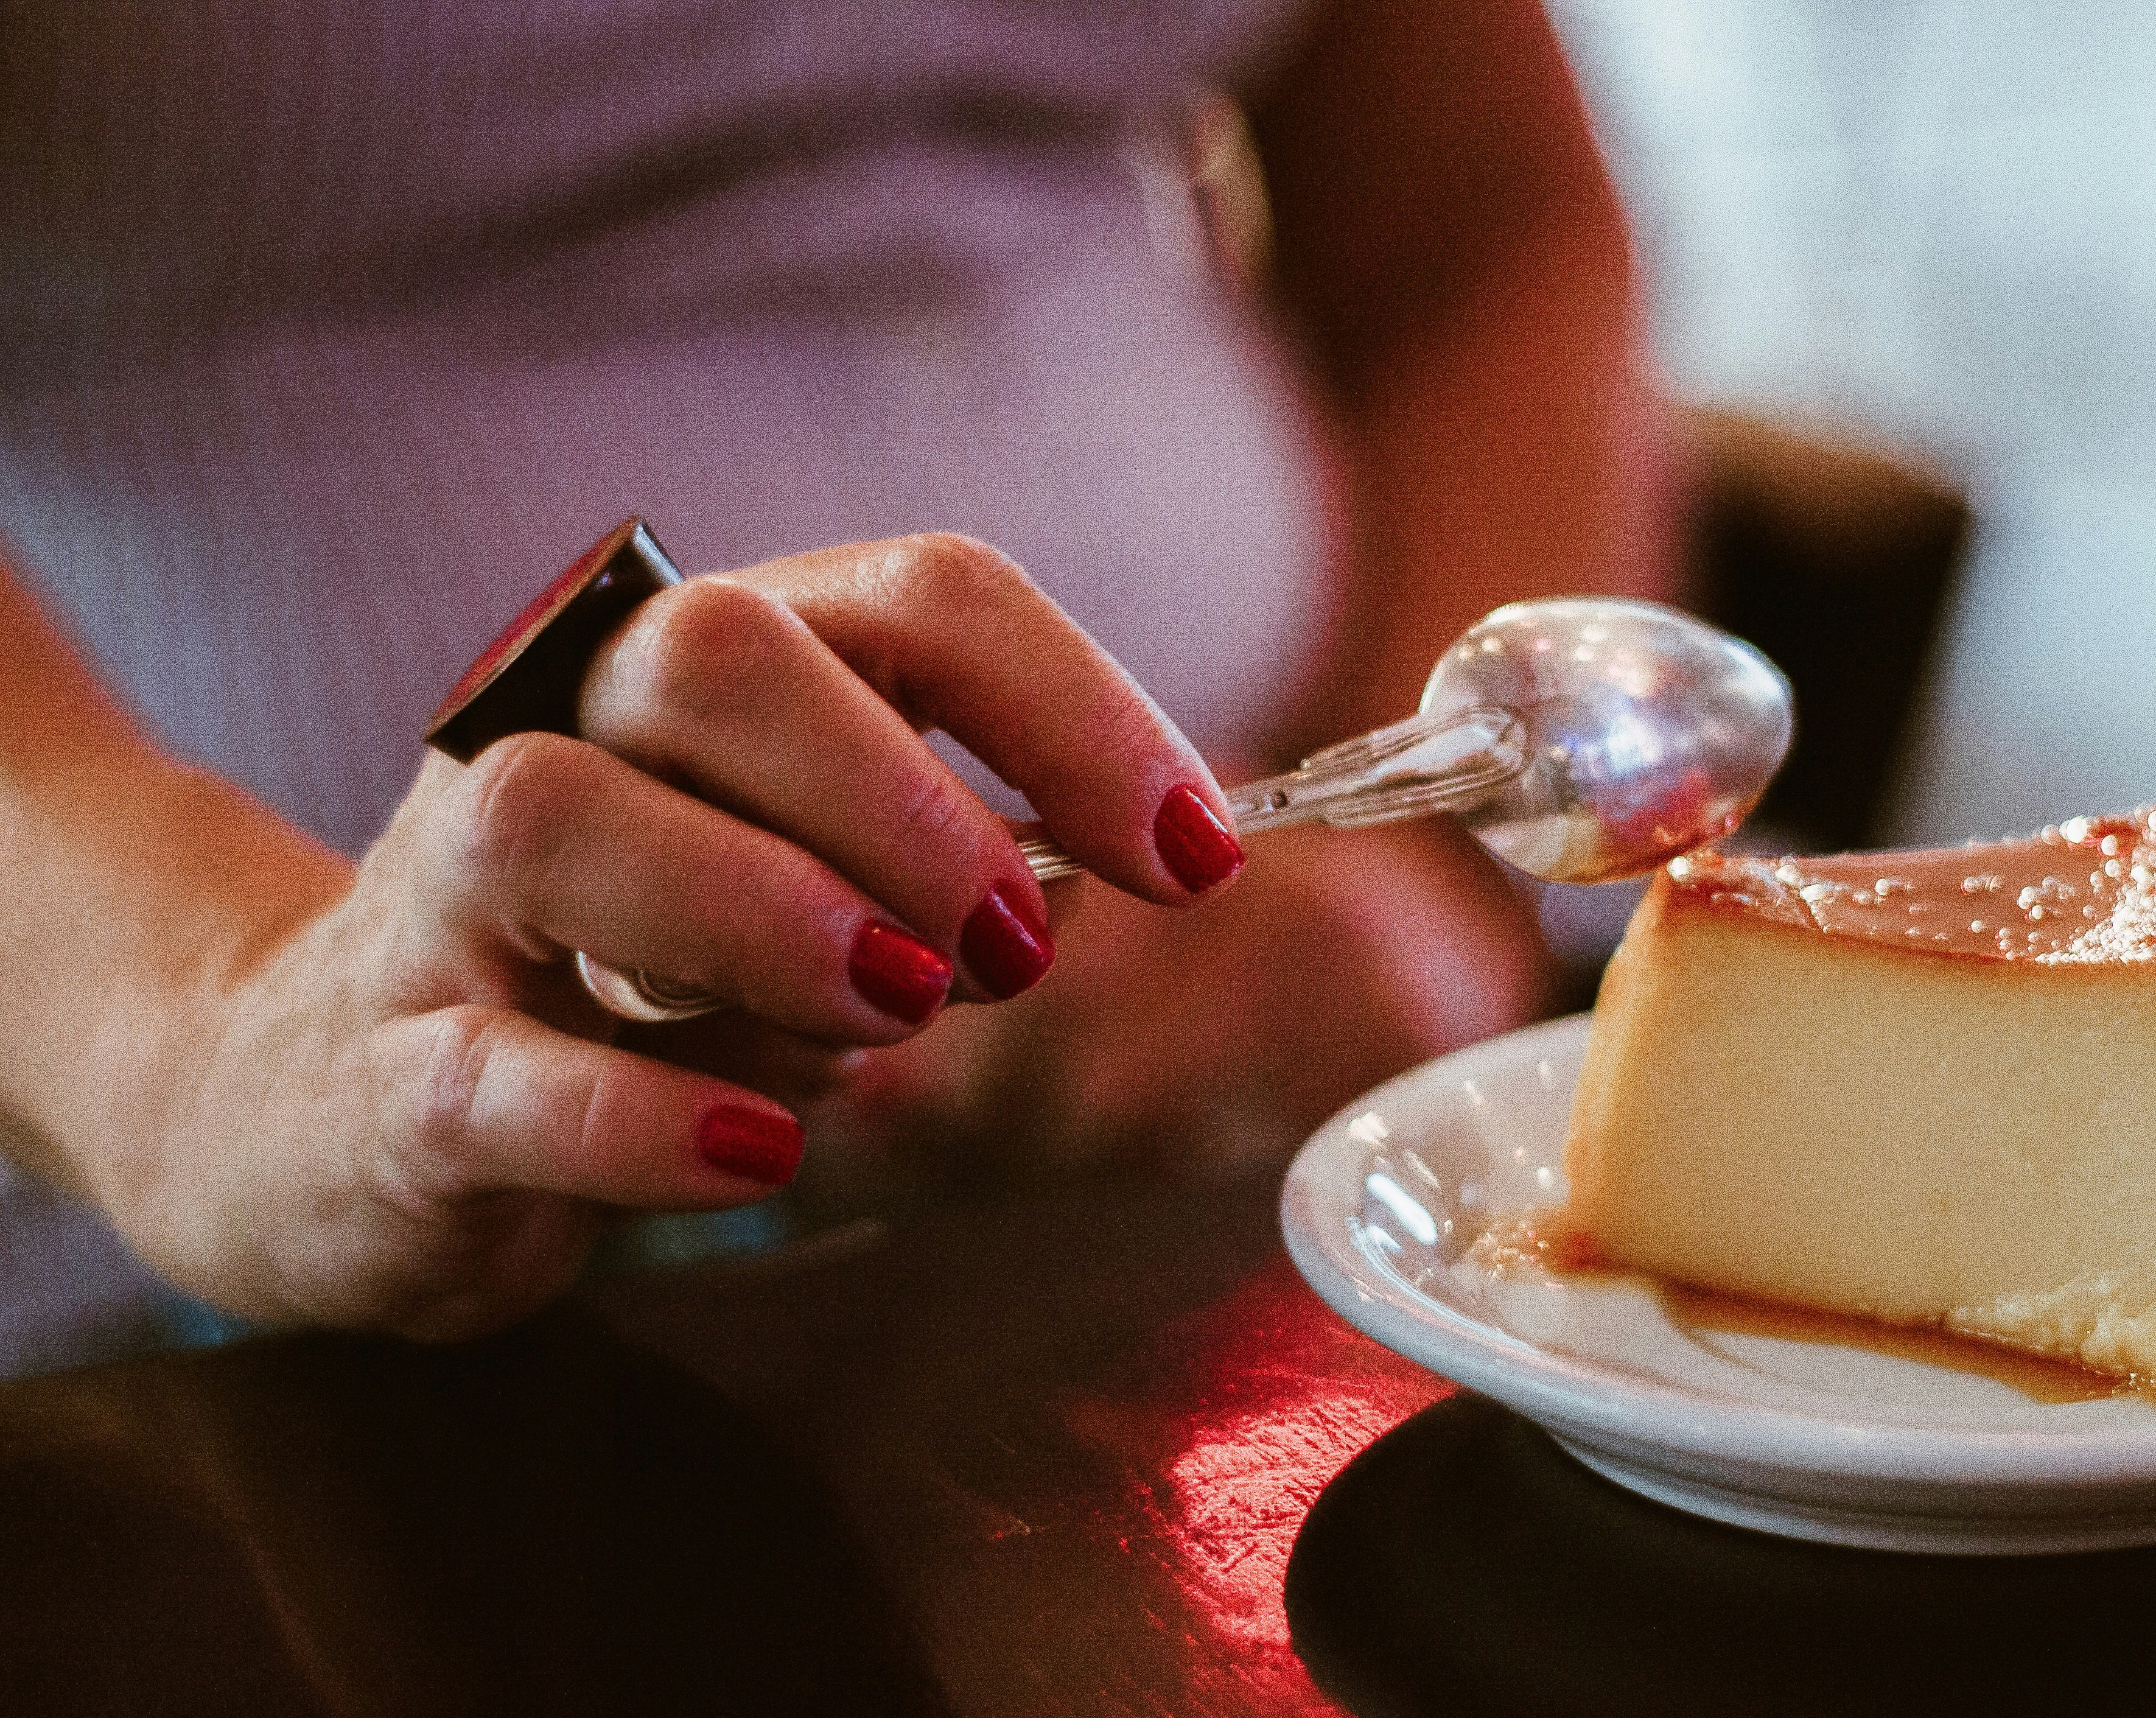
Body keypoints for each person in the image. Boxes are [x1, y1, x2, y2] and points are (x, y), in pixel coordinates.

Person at [0, 0, 1656, 1369]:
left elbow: (1485, 229)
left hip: (1253, 1168)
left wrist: (1429, 875)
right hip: (185, 1316)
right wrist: (206, 1034)